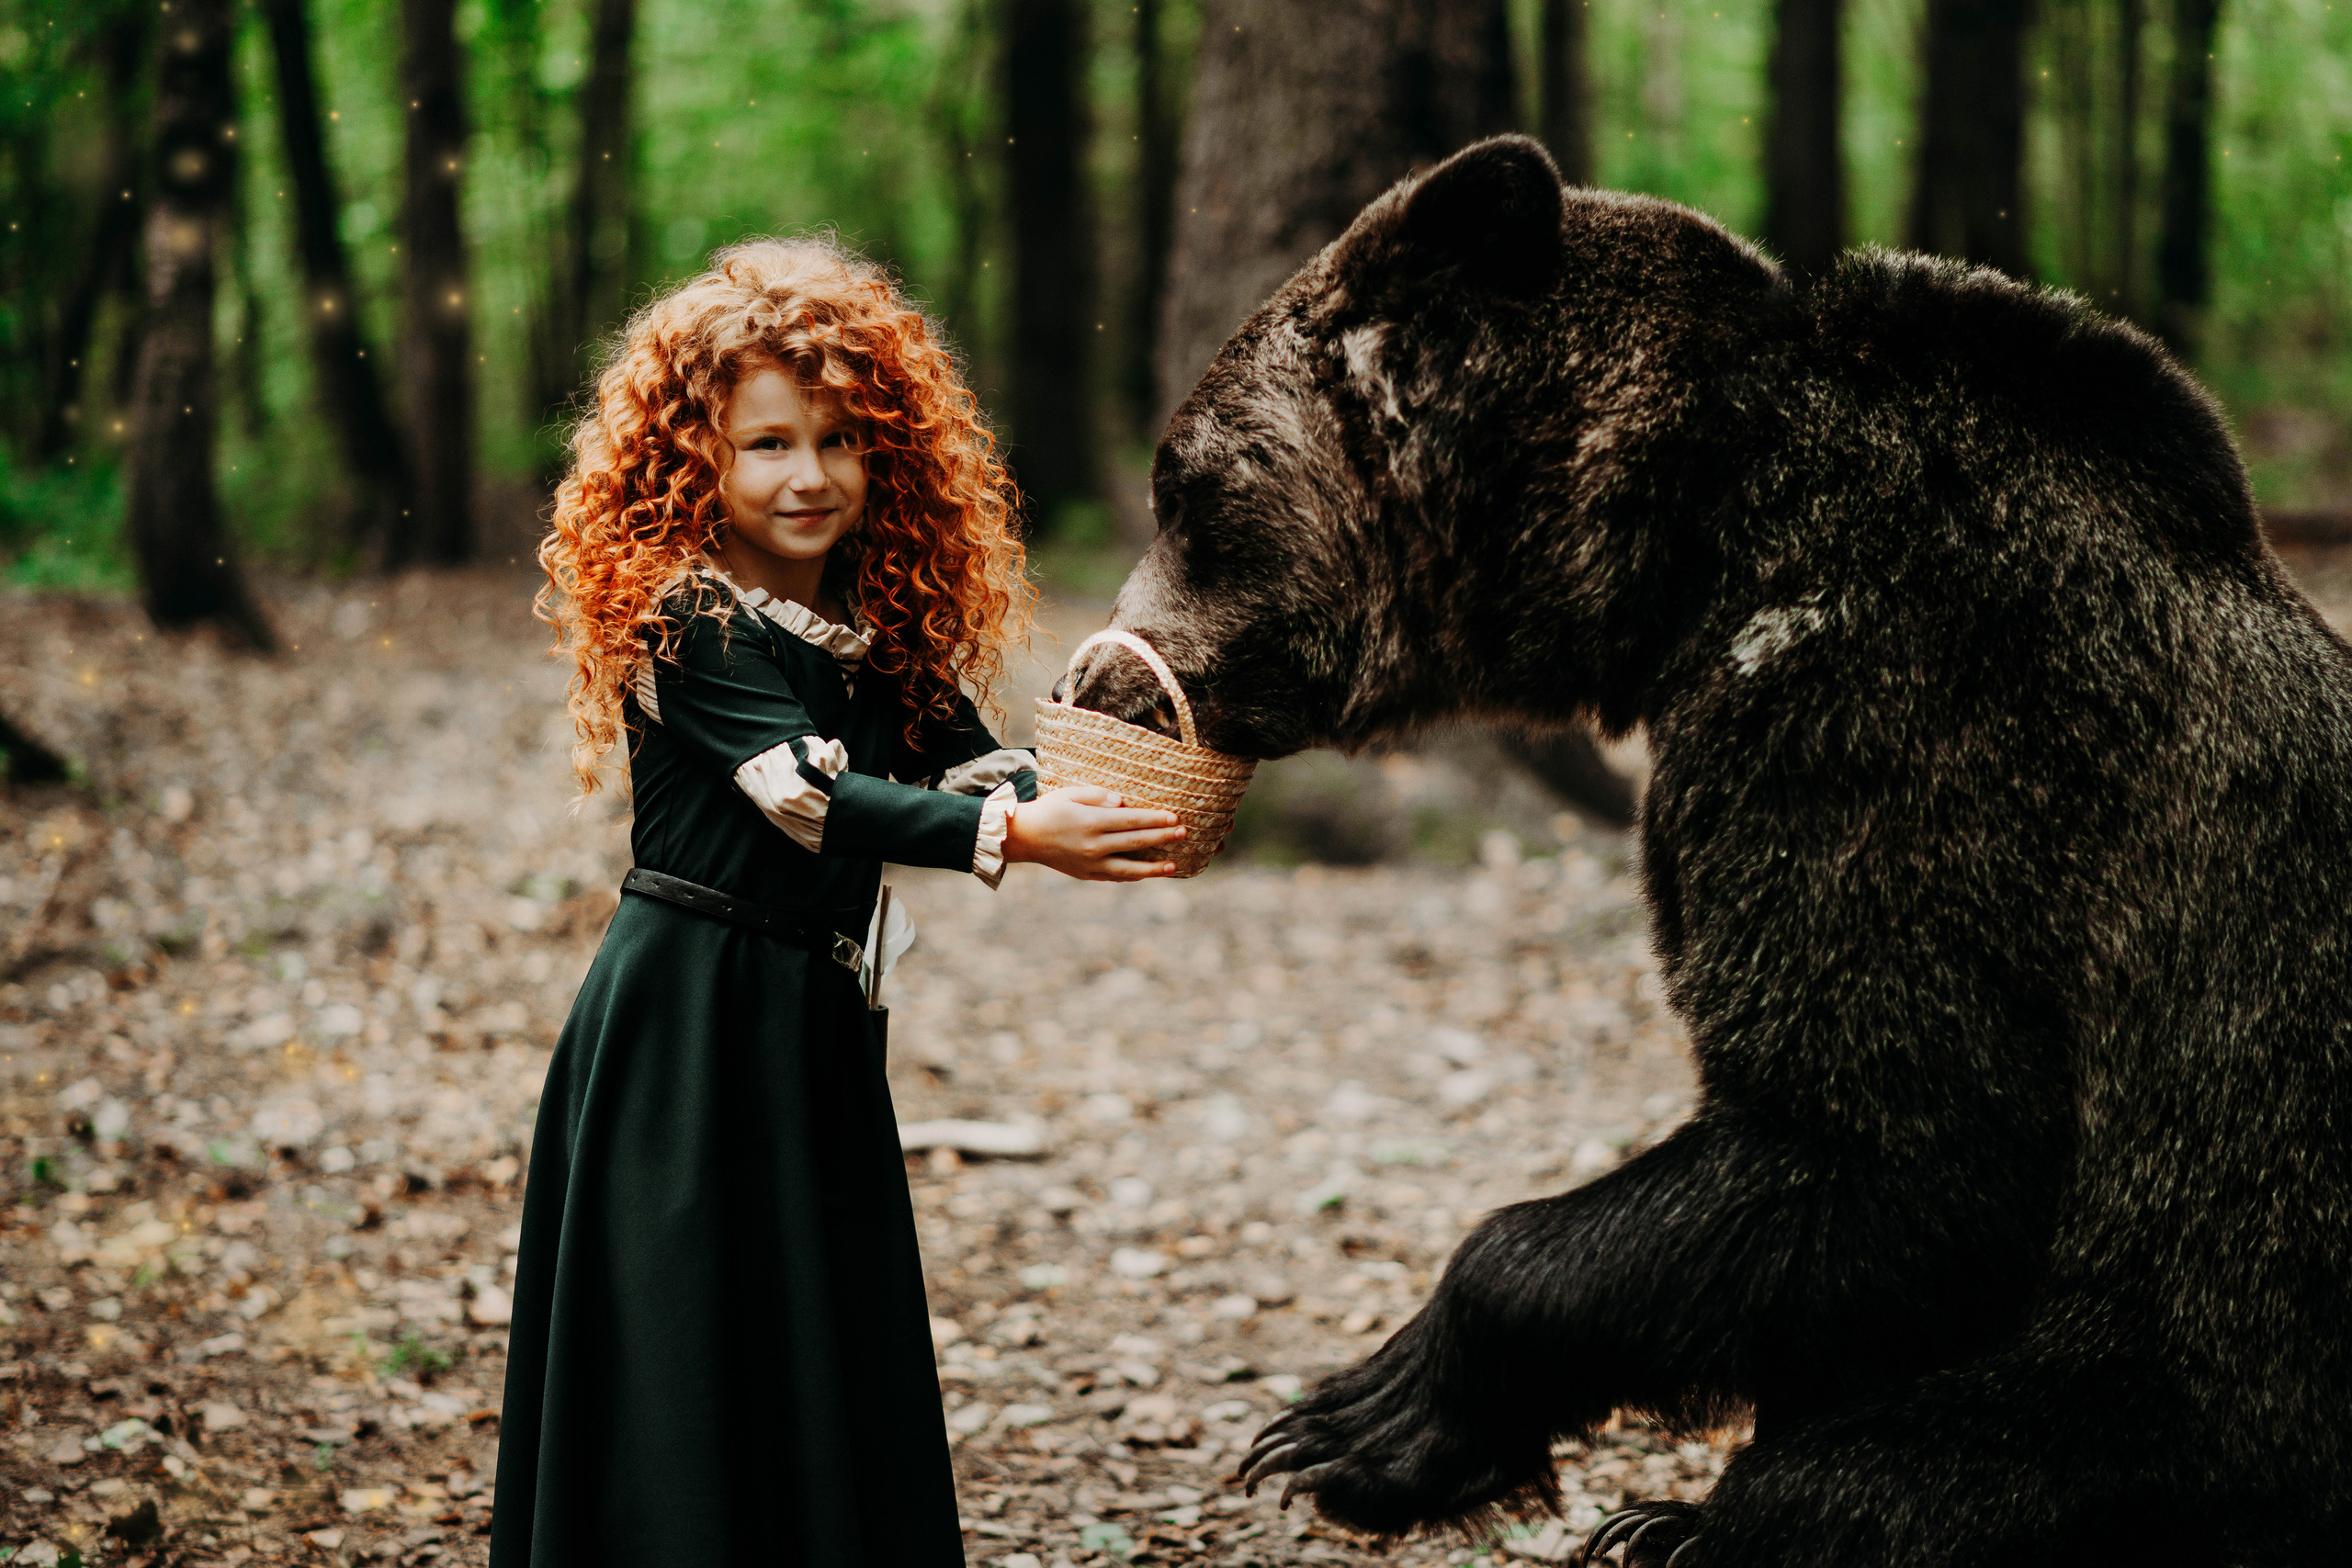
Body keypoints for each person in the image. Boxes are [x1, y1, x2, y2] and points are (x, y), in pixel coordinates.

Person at [492, 236, 1187, 1567]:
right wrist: (1021, 838)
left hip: (809, 1019)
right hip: (685, 1024)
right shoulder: (685, 618)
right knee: (687, 1332)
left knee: (812, 1324)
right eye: (764, 446)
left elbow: (965, 761)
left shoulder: (873, 619)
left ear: (886, 458)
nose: (807, 477)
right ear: (696, 460)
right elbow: (802, 794)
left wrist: (1105, 778)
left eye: (837, 441)